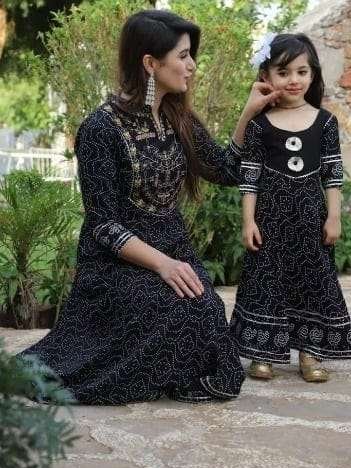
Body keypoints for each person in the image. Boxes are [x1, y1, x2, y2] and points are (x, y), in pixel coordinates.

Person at [19, 10, 279, 404]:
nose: (192, 66)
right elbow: (103, 225)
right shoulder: (100, 129)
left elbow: (225, 169)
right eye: (183, 56)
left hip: (173, 248)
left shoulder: (178, 117)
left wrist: (248, 113)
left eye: (191, 56)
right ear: (150, 63)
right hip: (116, 263)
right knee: (167, 310)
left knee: (205, 313)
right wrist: (163, 265)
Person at [230, 33, 351, 383]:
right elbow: (249, 176)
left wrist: (334, 217)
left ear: (313, 75)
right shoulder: (259, 125)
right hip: (269, 223)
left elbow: (333, 173)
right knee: (265, 282)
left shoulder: (325, 122)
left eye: (302, 72)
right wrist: (248, 221)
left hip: (311, 223)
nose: (294, 80)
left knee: (313, 283)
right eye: (283, 72)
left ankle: (310, 353)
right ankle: (262, 353)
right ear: (266, 76)